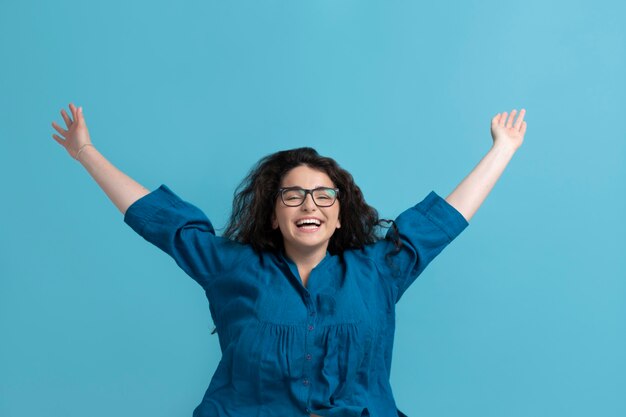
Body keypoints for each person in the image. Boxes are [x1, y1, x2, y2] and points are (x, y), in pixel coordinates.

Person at [51, 103, 527, 417]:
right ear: (274, 215)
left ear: (340, 216)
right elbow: (159, 220)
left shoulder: (378, 270)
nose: (309, 205)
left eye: (324, 196)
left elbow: (443, 220)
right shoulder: (231, 268)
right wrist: (85, 152)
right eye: (293, 195)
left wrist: (501, 151)